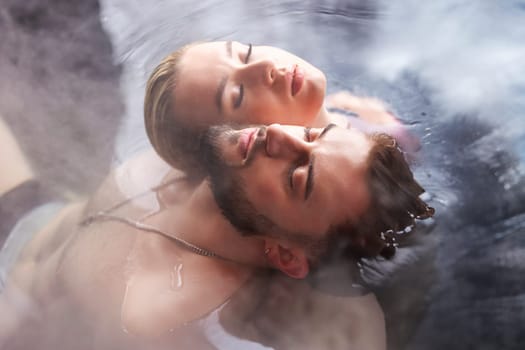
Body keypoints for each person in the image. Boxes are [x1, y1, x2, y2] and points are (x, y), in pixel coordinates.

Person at [0, 115, 433, 349]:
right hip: (30, 216)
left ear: (285, 254)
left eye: (298, 175)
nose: (278, 132)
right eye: (312, 133)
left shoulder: (171, 325)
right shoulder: (227, 147)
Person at [143, 40, 420, 178]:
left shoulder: (350, 111)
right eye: (237, 94)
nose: (265, 67)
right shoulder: (357, 182)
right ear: (242, 147)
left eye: (246, 53)